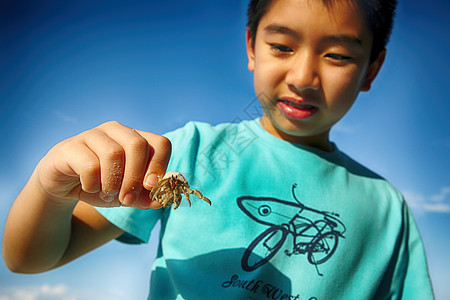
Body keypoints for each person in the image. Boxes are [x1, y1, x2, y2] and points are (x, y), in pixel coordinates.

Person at [3, 0, 434, 299]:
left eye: (338, 56)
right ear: (251, 47)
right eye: (282, 46)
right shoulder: (188, 153)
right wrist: (49, 186)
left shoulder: (387, 209)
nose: (303, 76)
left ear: (371, 69)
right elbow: (29, 258)